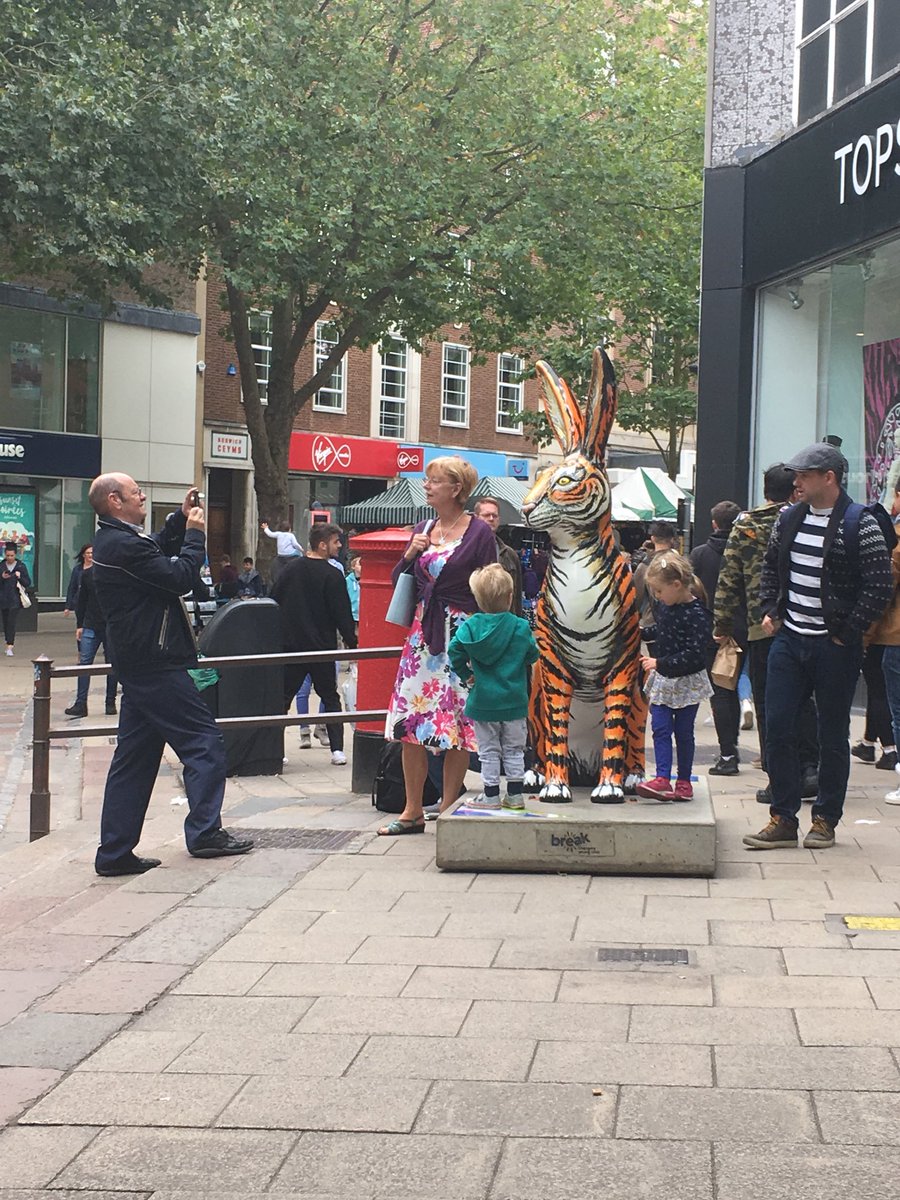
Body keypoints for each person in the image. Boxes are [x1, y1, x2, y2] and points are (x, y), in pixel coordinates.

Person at [89, 474, 253, 875]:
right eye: (135, 493)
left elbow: (155, 557)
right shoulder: (121, 544)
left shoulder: (118, 540)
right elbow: (177, 576)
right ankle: (205, 833)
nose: (142, 496)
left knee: (134, 759)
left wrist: (179, 522)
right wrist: (196, 535)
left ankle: (114, 852)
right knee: (204, 743)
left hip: (140, 661)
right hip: (156, 661)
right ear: (114, 500)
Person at [745, 443, 893, 851]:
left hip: (834, 646)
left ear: (829, 477)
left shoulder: (858, 522)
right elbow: (772, 569)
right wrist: (771, 609)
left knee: (831, 735)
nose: (797, 481)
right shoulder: (788, 518)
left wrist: (848, 632)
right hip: (789, 639)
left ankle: (825, 820)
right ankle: (783, 817)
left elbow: (879, 584)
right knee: (777, 729)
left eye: (805, 475)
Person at [380, 455, 497, 835]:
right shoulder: (424, 526)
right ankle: (412, 810)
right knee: (410, 722)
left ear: (456, 489)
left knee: (457, 726)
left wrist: (485, 636)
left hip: (461, 635)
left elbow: (491, 585)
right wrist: (411, 553)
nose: (427, 485)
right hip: (422, 638)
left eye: (434, 480)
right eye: (427, 480)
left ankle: (448, 808)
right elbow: (401, 579)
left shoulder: (479, 533)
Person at [714, 463, 820, 805]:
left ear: (764, 491)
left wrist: (722, 626)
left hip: (762, 628)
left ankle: (778, 780)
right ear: (795, 489)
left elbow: (729, 579)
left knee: (768, 705)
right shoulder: (806, 517)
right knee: (805, 701)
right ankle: (810, 769)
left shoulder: (746, 524)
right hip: (804, 623)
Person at [448, 564, 537, 809]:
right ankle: (516, 795)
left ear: (478, 599)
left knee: (488, 751)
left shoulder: (470, 626)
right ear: (510, 597)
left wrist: (466, 674)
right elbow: (532, 655)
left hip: (483, 701)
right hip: (514, 701)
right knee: (514, 749)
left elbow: (454, 650)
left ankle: (490, 796)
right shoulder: (520, 626)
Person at [270, 522, 357, 766]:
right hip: (322, 647)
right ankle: (337, 750)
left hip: (291, 646)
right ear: (322, 544)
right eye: (336, 542)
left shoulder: (290, 570)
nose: (339, 546)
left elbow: (273, 599)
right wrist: (352, 642)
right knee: (330, 697)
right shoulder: (332, 574)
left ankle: (275, 749)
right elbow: (342, 614)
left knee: (283, 699)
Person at [636, 553, 712, 801]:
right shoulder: (666, 607)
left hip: (685, 682)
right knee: (660, 727)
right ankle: (662, 778)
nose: (657, 596)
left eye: (659, 591)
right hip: (664, 680)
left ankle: (683, 780)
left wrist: (659, 662)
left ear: (676, 585)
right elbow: (663, 631)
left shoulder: (697, 615)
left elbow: (695, 655)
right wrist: (643, 634)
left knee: (683, 732)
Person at [691, 500, 744, 776]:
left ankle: (728, 752)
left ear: (714, 523)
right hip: (749, 629)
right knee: (761, 693)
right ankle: (770, 758)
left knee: (721, 692)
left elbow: (693, 593)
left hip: (715, 632)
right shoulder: (747, 553)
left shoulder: (700, 555)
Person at [64, 544, 118, 718]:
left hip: (110, 626)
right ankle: (81, 704)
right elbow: (82, 602)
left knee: (112, 664)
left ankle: (110, 702)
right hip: (90, 625)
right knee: (84, 664)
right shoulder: (86, 575)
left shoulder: (115, 576)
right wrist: (79, 625)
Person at [473, 496, 523, 617]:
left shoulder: (509, 554)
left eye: (494, 516)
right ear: (476, 518)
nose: (491, 519)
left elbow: (516, 595)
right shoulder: (465, 551)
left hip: (503, 623)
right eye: (486, 515)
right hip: (474, 622)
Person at [633, 520, 678, 624]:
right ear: (672, 539)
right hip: (678, 621)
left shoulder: (644, 566)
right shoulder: (680, 564)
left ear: (652, 539)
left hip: (651, 622)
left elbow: (636, 599)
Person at [0, 542, 31, 656]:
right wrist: (2, 577)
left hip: (15, 599)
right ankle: (8, 641)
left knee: (11, 622)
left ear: (15, 555)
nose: (9, 558)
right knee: (5, 622)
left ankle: (10, 645)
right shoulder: (1, 566)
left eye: (12, 556)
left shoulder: (21, 566)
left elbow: (28, 582)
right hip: (3, 599)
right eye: (7, 556)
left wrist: (20, 577)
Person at [63, 544, 90, 616]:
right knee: (81, 624)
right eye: (88, 553)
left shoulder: (97, 569)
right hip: (79, 602)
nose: (90, 555)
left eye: (92, 553)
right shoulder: (77, 569)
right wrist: (67, 607)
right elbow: (72, 587)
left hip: (93, 603)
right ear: (83, 555)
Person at [346, 554, 362, 626]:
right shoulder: (347, 581)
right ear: (353, 566)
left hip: (362, 614)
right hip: (351, 614)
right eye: (360, 564)